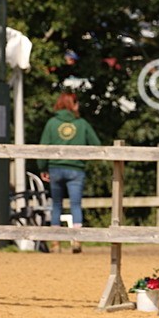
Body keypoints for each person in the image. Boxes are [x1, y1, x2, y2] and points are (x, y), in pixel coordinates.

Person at [38, 92, 102, 253]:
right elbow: (96, 144)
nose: (78, 106)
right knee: (75, 205)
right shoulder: (82, 124)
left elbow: (43, 147)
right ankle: (76, 240)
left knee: (56, 205)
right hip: (76, 169)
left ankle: (55, 243)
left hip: (55, 168)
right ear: (71, 105)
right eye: (76, 103)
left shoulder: (51, 123)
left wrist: (42, 167)